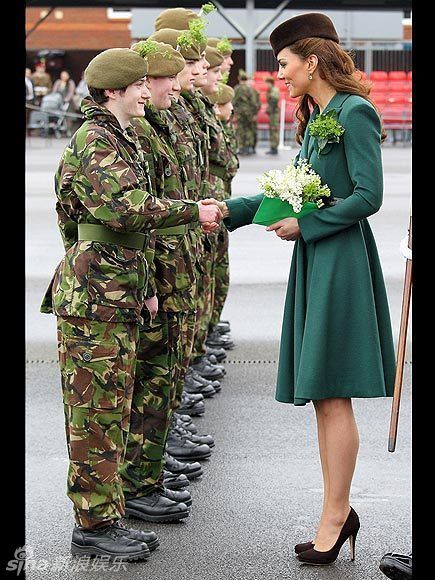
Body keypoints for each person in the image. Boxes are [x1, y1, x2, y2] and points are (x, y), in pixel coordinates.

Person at [204, 12, 396, 566]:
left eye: (284, 63)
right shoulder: (318, 119)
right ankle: (336, 511)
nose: (279, 74)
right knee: (323, 396)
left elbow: (368, 196)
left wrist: (306, 225)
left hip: (339, 261)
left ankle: (336, 515)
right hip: (317, 260)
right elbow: (289, 192)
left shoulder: (353, 113)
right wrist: (228, 211)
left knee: (334, 392)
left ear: (312, 60)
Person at [39, 47, 221, 561]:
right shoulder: (97, 140)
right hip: (94, 297)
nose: (148, 91)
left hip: (116, 289)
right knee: (95, 411)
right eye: (138, 85)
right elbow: (123, 211)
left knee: (115, 405)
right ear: (112, 92)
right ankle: (94, 524)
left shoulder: (121, 138)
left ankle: (112, 508)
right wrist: (195, 210)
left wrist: (146, 288)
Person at [233, 69, 261, 155]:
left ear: (239, 78)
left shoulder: (237, 89)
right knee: (249, 129)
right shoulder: (250, 90)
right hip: (249, 112)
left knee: (241, 129)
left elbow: (234, 101)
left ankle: (242, 147)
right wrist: (254, 112)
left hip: (240, 112)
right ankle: (249, 147)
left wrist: (235, 112)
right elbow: (254, 103)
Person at [265, 76, 280, 155]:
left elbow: (274, 100)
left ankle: (274, 147)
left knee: (274, 130)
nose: (266, 85)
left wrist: (270, 109)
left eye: (267, 83)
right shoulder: (271, 90)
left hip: (274, 113)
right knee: (272, 129)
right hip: (272, 113)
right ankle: (272, 147)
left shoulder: (274, 90)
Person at [25, 67, 34, 134]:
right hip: (26, 100)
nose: (28, 74)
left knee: (30, 117)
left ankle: (29, 131)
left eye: (29, 73)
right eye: (27, 73)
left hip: (31, 100)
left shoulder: (31, 81)